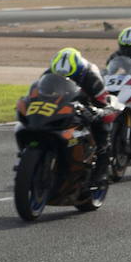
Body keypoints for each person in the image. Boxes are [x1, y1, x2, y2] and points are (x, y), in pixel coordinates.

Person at [47, 47, 114, 188]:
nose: (66, 79)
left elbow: (104, 103)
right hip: (61, 104)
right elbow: (38, 93)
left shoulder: (91, 76)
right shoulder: (50, 72)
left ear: (78, 71)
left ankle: (102, 171)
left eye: (70, 77)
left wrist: (96, 112)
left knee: (102, 127)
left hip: (87, 104)